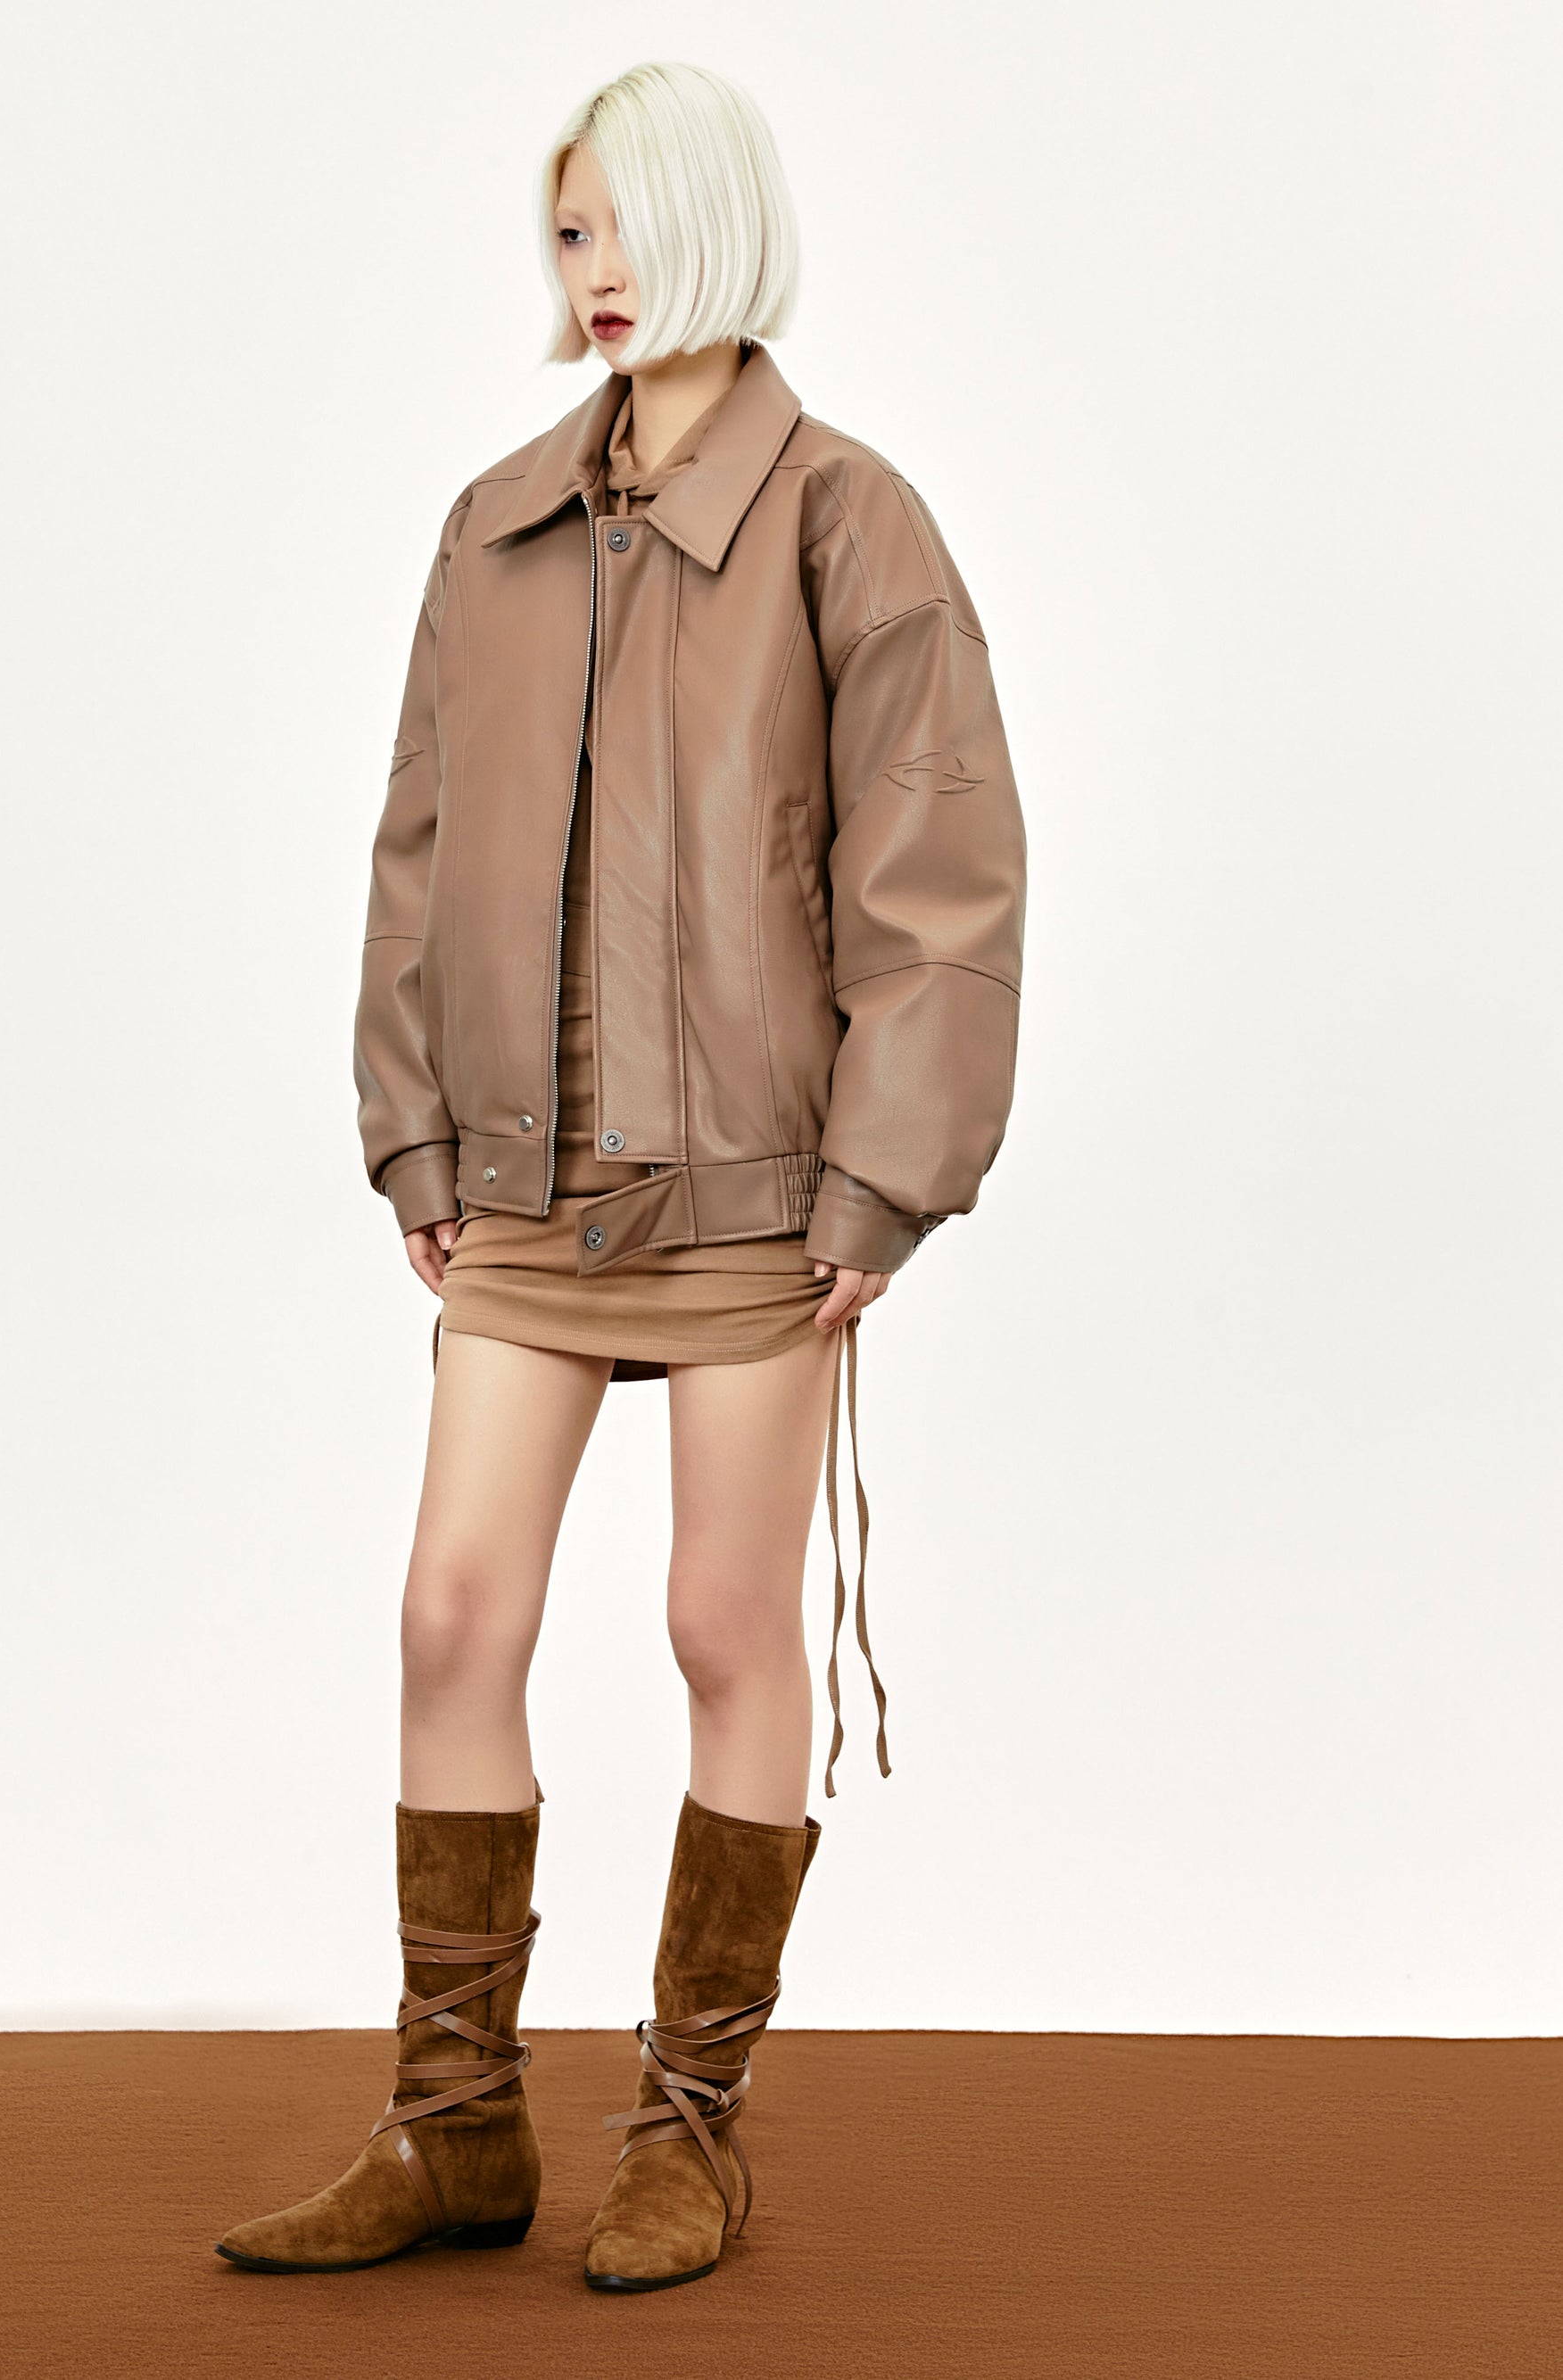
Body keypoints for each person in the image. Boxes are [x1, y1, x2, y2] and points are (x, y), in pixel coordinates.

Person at [215, 59, 1026, 2293]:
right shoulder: (489, 530)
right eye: (569, 231)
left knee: (718, 1624)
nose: (595, 271)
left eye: (629, 226)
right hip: (522, 1191)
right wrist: (410, 1123)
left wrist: (883, 1178)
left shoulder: (849, 520)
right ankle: (451, 2123)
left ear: (720, 224)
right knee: (451, 1613)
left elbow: (939, 872)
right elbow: (413, 849)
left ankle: (690, 2128)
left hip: (761, 1193)